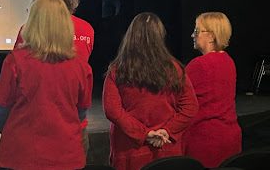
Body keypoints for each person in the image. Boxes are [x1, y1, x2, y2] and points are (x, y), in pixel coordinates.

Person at [0, 0, 92, 170]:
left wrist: (16, 132)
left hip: (20, 157)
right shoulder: (81, 67)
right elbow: (81, 114)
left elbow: (0, 112)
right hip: (66, 157)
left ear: (32, 22)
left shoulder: (15, 61)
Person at [102, 12, 199, 170]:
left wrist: (144, 134)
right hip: (166, 151)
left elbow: (113, 111)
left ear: (131, 35)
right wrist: (167, 131)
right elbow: (190, 107)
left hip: (130, 152)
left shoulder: (118, 70)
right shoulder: (175, 69)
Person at [14, 0, 94, 153]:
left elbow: (17, 78)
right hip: (73, 126)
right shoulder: (87, 30)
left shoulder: (27, 30)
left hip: (33, 130)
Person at [182, 12, 242, 168]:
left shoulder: (199, 65)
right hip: (230, 138)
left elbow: (176, 96)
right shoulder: (229, 61)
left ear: (211, 36)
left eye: (196, 31)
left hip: (204, 142)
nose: (192, 35)